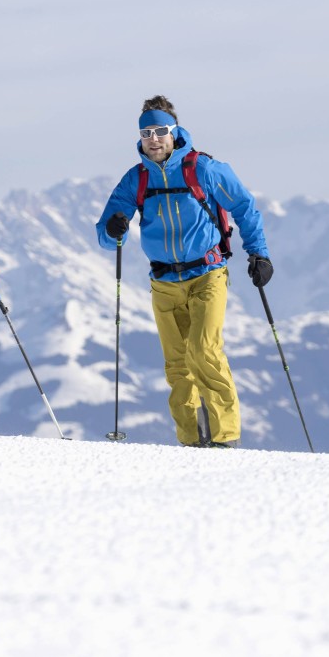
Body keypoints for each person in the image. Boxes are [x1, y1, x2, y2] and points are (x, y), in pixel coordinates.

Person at [95, 95, 273, 448]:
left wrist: (259, 254)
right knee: (178, 366)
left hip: (208, 274)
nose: (154, 139)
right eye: (147, 132)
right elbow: (106, 232)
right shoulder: (137, 179)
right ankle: (191, 443)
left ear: (174, 132)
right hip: (163, 282)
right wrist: (114, 229)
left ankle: (225, 439)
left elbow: (244, 206)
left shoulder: (203, 169)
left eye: (161, 131)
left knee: (204, 351)